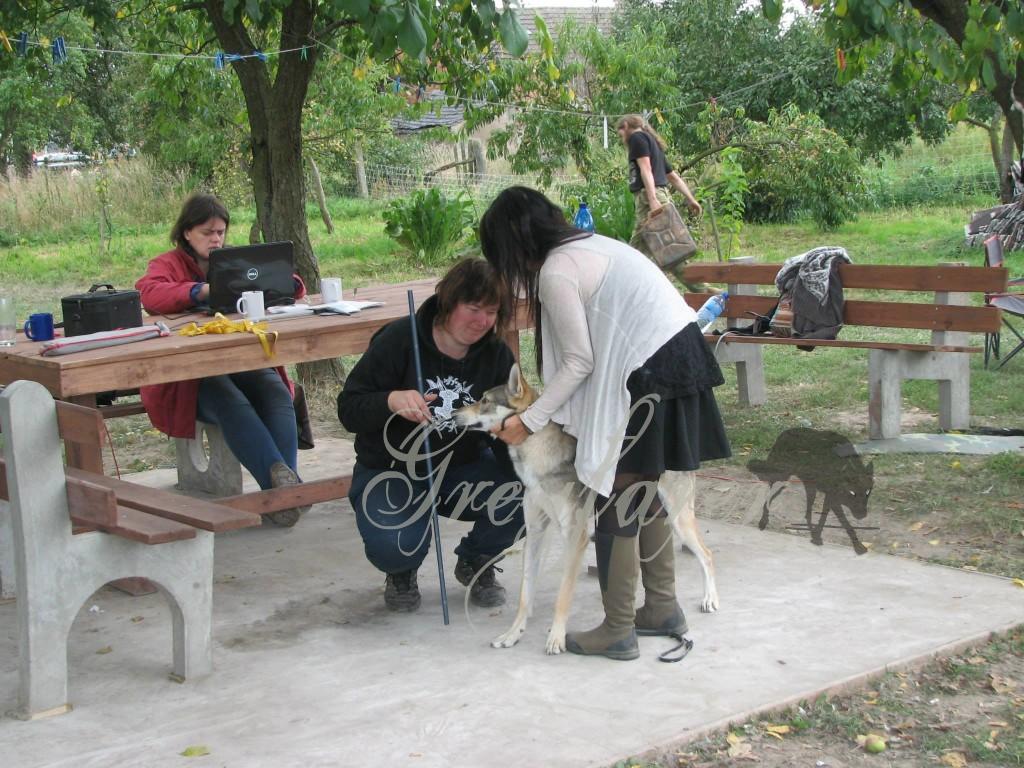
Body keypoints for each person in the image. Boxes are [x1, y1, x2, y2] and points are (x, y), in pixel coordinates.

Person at [480, 186, 731, 661]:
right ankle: (660, 608)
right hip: (679, 360)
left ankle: (618, 629)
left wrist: (529, 421)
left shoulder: (556, 271)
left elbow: (578, 361)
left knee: (618, 492)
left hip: (654, 371)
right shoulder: (595, 245)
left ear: (515, 243)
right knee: (642, 489)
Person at [337, 258, 525, 612]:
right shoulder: (398, 340)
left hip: (463, 467)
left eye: (491, 311)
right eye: (473, 308)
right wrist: (390, 400)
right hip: (393, 469)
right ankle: (402, 570)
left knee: (532, 493)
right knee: (393, 547)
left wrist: (517, 453)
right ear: (448, 303)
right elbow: (348, 409)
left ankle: (477, 558)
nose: (482, 321)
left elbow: (507, 426)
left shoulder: (496, 355)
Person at [136, 192, 309, 527]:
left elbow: (295, 286)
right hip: (188, 374)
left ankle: (283, 490)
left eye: (220, 232)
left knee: (276, 391)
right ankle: (285, 495)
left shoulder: (235, 259)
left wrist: (280, 279)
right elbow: (150, 294)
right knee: (231, 403)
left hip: (239, 359)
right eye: (207, 232)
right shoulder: (166, 264)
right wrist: (198, 291)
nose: (216, 239)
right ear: (187, 233)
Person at [617, 114, 715, 294]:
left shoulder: (637, 138)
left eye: (620, 131)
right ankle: (705, 291)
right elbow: (673, 177)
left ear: (625, 125)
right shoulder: (652, 142)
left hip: (649, 198)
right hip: (658, 195)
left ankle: (704, 291)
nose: (621, 136)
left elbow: (646, 169)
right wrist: (690, 198)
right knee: (662, 253)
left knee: (646, 253)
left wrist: (653, 200)